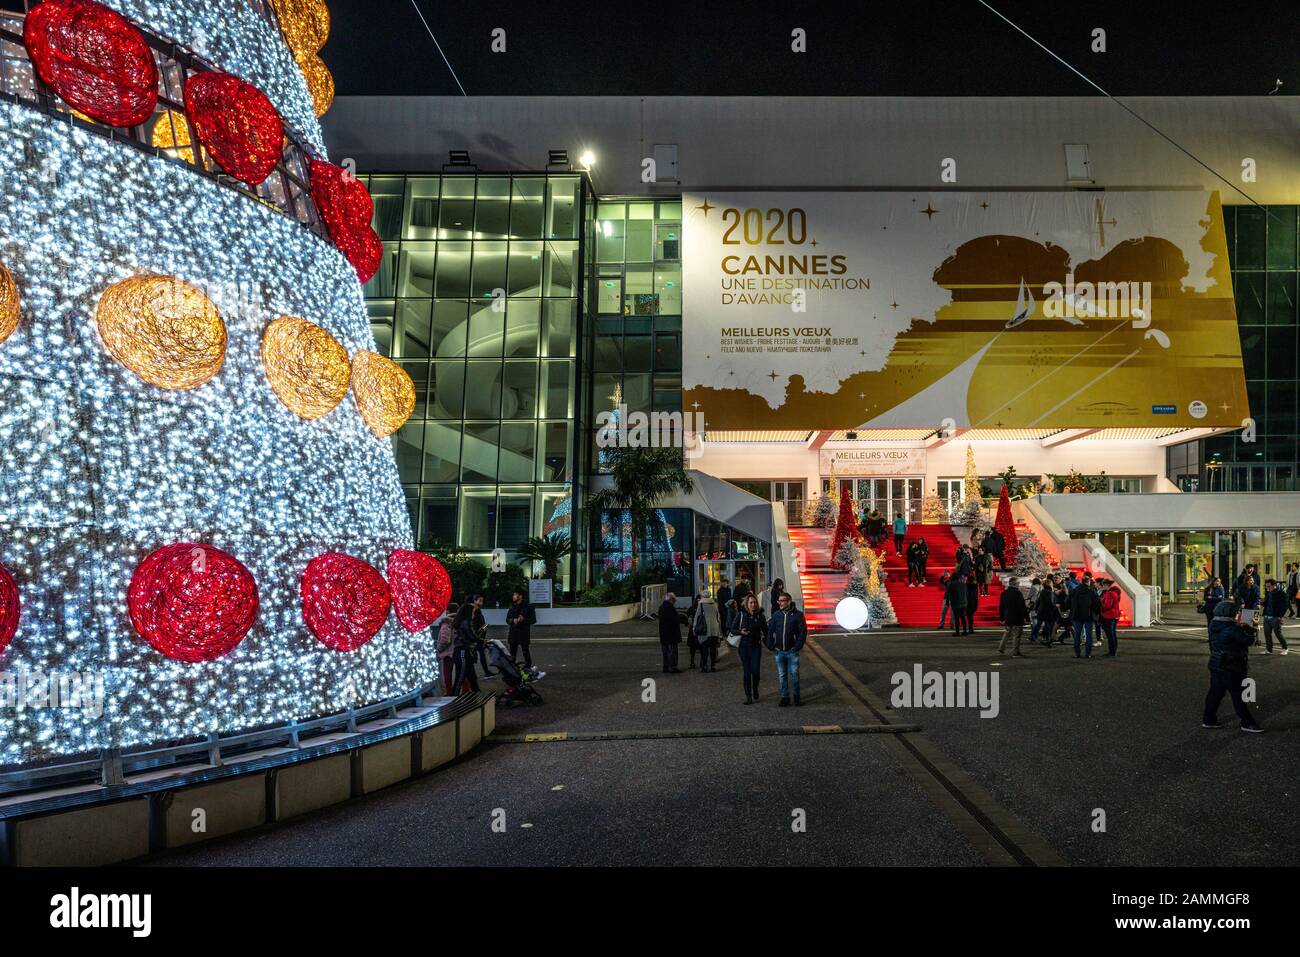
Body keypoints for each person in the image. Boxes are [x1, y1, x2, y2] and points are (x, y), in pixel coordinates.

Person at [1202, 601, 1262, 732]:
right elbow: (1248, 640)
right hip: (1231, 665)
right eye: (1237, 612)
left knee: (1215, 693)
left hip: (1216, 663)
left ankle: (1208, 719)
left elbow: (1231, 635)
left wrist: (1240, 626)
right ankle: (1247, 723)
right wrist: (1253, 627)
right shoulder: (1232, 628)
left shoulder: (1214, 624)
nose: (1238, 614)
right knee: (1238, 695)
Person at [766, 592, 807, 706]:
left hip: (792, 651)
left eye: (783, 600)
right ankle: (785, 697)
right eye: (779, 601)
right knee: (782, 675)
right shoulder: (776, 615)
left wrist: (797, 646)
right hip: (779, 651)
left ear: (789, 601)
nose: (780, 603)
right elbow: (770, 631)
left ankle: (796, 697)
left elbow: (802, 633)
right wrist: (770, 645)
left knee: (794, 675)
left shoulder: (798, 615)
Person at [734, 593, 767, 704]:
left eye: (754, 602)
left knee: (756, 671)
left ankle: (755, 688)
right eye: (751, 603)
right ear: (747, 604)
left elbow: (766, 631)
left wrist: (771, 645)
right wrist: (740, 632)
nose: (753, 604)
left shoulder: (760, 616)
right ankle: (748, 696)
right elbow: (732, 629)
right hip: (743, 648)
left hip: (756, 647)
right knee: (747, 672)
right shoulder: (741, 615)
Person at [451, 600, 482, 693]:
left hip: (462, 652)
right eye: (473, 612)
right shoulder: (466, 622)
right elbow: (472, 636)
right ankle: (452, 700)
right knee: (460, 679)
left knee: (472, 677)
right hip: (462, 653)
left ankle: (478, 695)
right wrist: (480, 639)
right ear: (468, 612)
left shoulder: (460, 622)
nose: (474, 615)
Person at [507, 589, 536, 668]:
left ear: (520, 596)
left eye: (515, 595)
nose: (513, 596)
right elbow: (507, 619)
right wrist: (513, 620)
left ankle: (528, 666)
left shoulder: (529, 606)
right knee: (512, 652)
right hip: (513, 633)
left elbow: (533, 620)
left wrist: (523, 620)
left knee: (525, 651)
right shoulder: (512, 606)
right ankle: (512, 667)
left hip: (523, 632)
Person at [997, 578, 1028, 656]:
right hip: (1017, 616)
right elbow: (1022, 607)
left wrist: (1002, 617)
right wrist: (1026, 617)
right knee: (1017, 635)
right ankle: (1015, 651)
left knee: (1007, 633)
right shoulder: (1018, 593)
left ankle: (1001, 648)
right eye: (1018, 583)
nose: (1019, 584)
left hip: (1008, 616)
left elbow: (1001, 607)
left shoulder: (1004, 593)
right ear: (1015, 584)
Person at [692, 593, 721, 671]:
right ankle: (713, 666)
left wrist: (694, 628)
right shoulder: (715, 604)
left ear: (703, 596)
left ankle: (704, 666)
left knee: (704, 649)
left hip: (705, 630)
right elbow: (718, 618)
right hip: (714, 629)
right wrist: (719, 631)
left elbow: (696, 618)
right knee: (713, 649)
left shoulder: (701, 605)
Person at [1260, 579, 1290, 655]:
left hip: (1275, 617)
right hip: (1267, 616)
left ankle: (1285, 648)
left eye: (1269, 586)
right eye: (1266, 587)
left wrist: (1280, 616)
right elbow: (1266, 603)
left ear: (1274, 585)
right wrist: (1260, 603)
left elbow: (1285, 606)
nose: (1267, 588)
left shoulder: (1282, 593)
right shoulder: (1269, 593)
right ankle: (1269, 650)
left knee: (1278, 634)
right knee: (1267, 634)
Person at [1069, 576, 1095, 658]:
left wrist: (1071, 610)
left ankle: (1077, 653)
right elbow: (1097, 603)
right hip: (1088, 616)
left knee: (1077, 635)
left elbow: (1068, 601)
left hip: (1076, 615)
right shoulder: (1091, 591)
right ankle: (1088, 653)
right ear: (1088, 582)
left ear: (1081, 581)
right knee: (1089, 635)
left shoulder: (1074, 591)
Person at [437, 602, 459, 694]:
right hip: (458, 650)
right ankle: (466, 690)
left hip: (448, 653)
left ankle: (449, 691)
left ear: (448, 611)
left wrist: (439, 648)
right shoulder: (459, 621)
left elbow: (445, 640)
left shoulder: (446, 623)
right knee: (461, 672)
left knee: (447, 673)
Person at [658, 592, 682, 673]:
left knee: (665, 651)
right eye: (674, 600)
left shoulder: (661, 607)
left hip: (663, 633)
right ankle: (673, 667)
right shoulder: (670, 608)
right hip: (671, 634)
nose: (674, 602)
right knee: (672, 651)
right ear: (671, 599)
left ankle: (666, 667)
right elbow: (674, 620)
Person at [1099, 579, 1121, 657]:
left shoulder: (1109, 593)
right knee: (1113, 634)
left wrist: (1101, 603)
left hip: (1109, 615)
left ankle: (1112, 652)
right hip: (1115, 615)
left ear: (1106, 585)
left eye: (1103, 585)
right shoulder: (1116, 592)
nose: (1102, 586)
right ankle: (1113, 651)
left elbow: (1107, 606)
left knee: (1110, 635)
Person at [1031, 581, 1057, 645]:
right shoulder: (1050, 592)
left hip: (1041, 610)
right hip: (1048, 611)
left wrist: (1036, 608)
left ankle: (1033, 636)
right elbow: (1050, 603)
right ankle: (1048, 639)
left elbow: (1038, 601)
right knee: (1048, 625)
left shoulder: (1042, 591)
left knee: (1039, 624)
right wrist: (1054, 609)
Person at [945, 570, 968, 637]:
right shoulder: (963, 584)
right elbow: (966, 594)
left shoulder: (951, 585)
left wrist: (947, 602)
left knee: (957, 618)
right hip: (963, 603)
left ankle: (957, 632)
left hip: (956, 603)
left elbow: (948, 595)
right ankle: (965, 631)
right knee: (963, 617)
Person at [685, 594, 703, 669]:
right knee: (692, 648)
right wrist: (687, 624)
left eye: (700, 600)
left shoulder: (703, 607)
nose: (699, 601)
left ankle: (702, 662)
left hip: (701, 629)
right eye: (698, 600)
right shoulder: (692, 608)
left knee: (702, 647)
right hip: (693, 629)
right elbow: (686, 615)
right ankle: (692, 662)